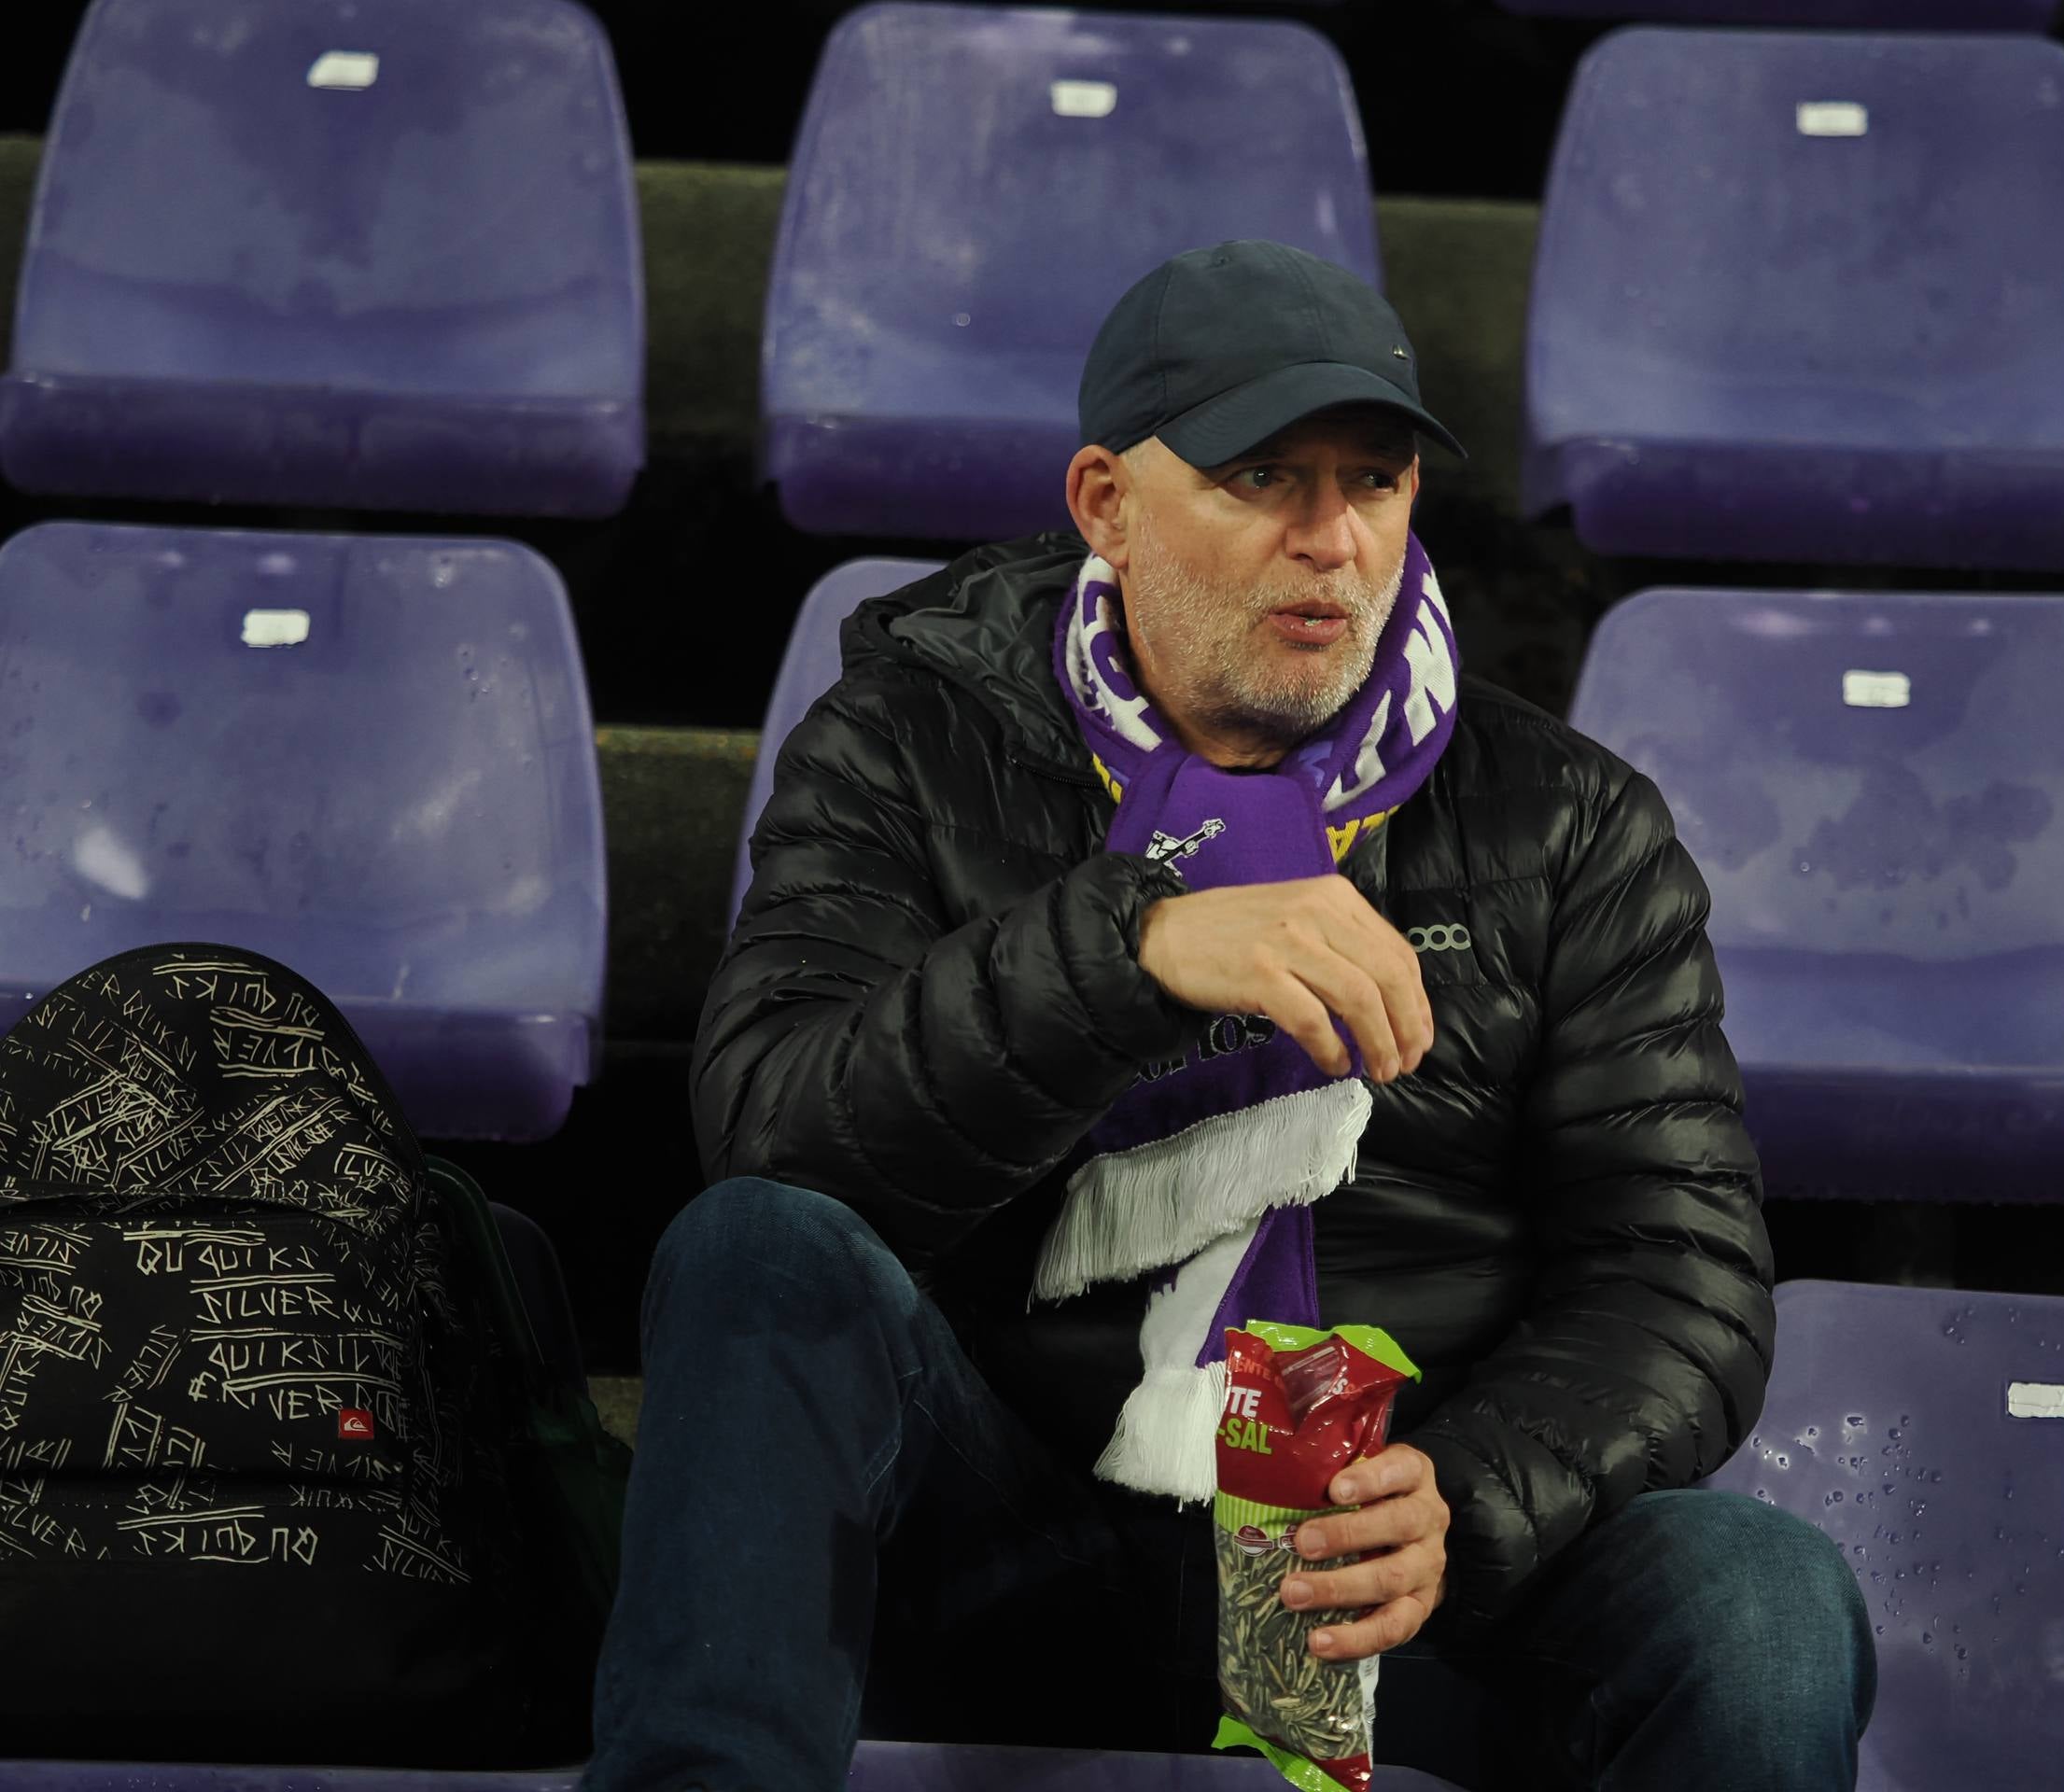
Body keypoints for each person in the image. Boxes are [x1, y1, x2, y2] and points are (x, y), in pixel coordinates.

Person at [583, 240, 1874, 1792]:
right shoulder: (909, 744)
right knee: (758, 1255)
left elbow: (1683, 1276)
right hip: (1006, 1529)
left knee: (1763, 1603)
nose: (1330, 541)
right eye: (1263, 476)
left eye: (1375, 483)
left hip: (1377, 1578)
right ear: (1106, 507)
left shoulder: (1568, 823)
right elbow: (777, 1132)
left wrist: (1461, 1500)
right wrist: (1129, 949)